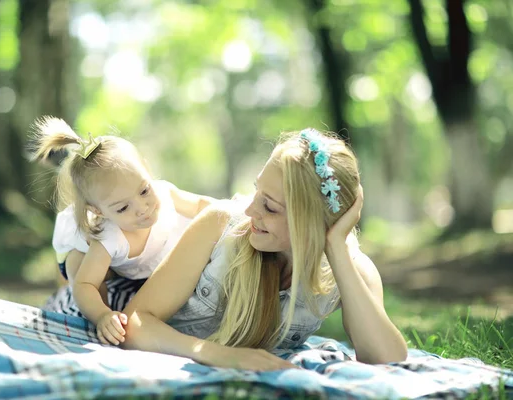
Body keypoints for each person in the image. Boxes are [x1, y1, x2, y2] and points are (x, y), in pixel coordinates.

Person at [120, 128, 408, 370]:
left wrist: (334, 247)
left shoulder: (349, 268)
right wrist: (219, 355)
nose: (249, 208)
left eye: (269, 206)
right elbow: (134, 324)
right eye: (257, 191)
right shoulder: (221, 225)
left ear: (309, 223)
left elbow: (387, 361)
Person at [29, 116, 216, 346]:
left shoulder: (165, 193)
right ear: (99, 211)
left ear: (147, 170)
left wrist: (232, 211)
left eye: (144, 191)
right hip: (81, 248)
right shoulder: (109, 235)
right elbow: (84, 285)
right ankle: (79, 314)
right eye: (123, 207)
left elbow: (203, 206)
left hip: (152, 266)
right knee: (87, 276)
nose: (142, 208)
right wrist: (102, 315)